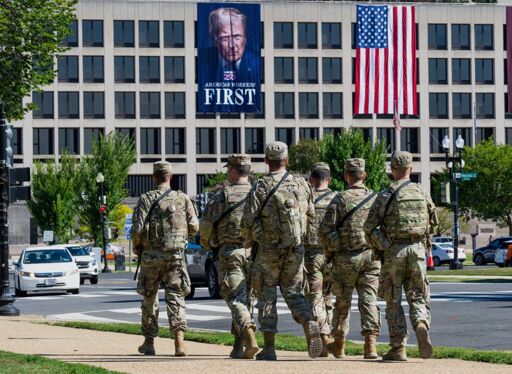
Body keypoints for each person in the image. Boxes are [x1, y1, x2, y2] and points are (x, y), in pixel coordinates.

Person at [241, 141, 323, 360]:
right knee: (295, 293)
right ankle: (308, 322)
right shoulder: (302, 184)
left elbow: (247, 220)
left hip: (268, 249)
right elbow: (312, 216)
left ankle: (269, 347)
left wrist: (250, 243)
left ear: (266, 161)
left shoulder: (261, 186)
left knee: (267, 297)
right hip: (295, 249)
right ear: (286, 160)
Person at [364, 151, 438, 361]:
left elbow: (369, 227)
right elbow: (433, 224)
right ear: (411, 169)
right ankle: (421, 323)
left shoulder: (386, 194)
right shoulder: (422, 192)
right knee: (418, 294)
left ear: (392, 170)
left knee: (393, 299)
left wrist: (384, 244)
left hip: (394, 251)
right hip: (417, 250)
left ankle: (398, 347)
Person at [131, 161, 199, 357]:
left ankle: (149, 342)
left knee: (149, 298)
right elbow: (194, 226)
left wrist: (138, 249)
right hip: (175, 256)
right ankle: (179, 341)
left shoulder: (145, 199)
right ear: (170, 176)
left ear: (153, 177)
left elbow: (137, 229)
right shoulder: (182, 198)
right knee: (176, 296)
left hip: (151, 256)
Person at [319, 159, 381, 359]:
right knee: (369, 300)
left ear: (346, 176)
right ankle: (370, 345)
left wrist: (333, 250)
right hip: (371, 256)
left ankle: (339, 344)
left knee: (342, 302)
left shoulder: (339, 199)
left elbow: (325, 230)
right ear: (364, 176)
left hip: (346, 257)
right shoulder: (375, 198)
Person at [199, 154, 259, 359]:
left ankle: (250, 337)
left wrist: (207, 243)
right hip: (254, 253)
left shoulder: (223, 195)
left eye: (228, 170)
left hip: (230, 252)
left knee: (235, 299)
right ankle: (237, 346)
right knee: (246, 299)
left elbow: (206, 225)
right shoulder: (259, 193)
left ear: (233, 171)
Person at [303, 162, 337, 356]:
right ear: (329, 179)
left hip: (311, 254)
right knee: (327, 297)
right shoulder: (337, 199)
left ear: (312, 180)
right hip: (332, 255)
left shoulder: (306, 199)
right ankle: (327, 337)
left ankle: (324, 334)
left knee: (315, 296)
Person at [204, 7, 259, 83]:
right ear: (214, 39)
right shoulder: (202, 61)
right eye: (225, 38)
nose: (232, 45)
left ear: (245, 37)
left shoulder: (258, 62)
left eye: (237, 37)